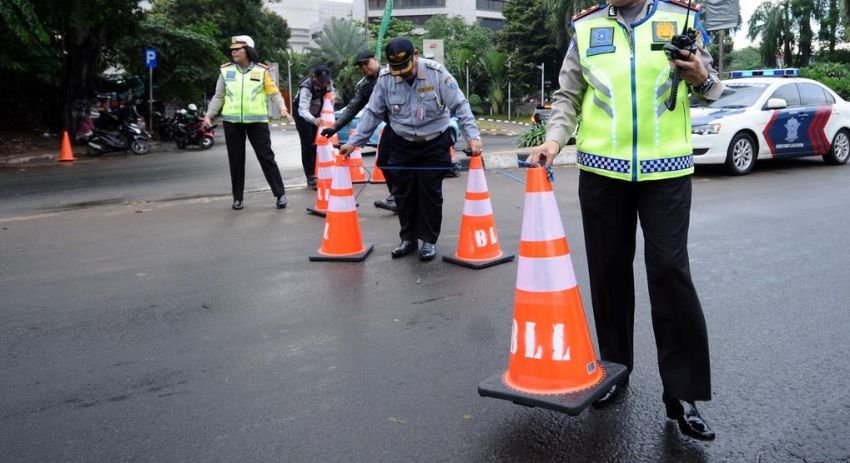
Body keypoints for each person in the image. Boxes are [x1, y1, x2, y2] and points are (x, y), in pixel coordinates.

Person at [527, 0, 723, 441]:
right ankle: (615, 370)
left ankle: (683, 393)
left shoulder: (681, 18)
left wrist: (701, 77)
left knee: (670, 272)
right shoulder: (586, 28)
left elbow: (712, 89)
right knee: (608, 274)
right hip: (601, 173)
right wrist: (554, 141)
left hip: (666, 173)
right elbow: (568, 96)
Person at [339, 38, 482, 261]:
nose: (403, 75)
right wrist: (354, 142)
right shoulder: (386, 79)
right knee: (403, 194)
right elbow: (373, 112)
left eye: (406, 69)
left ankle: (428, 241)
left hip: (434, 141)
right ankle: (408, 239)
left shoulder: (437, 73)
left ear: (415, 55)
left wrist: (472, 137)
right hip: (402, 142)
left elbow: (460, 105)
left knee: (430, 194)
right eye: (398, 70)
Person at [204, 35, 292, 210]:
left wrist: (283, 108)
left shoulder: (261, 71)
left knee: (266, 157)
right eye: (232, 50)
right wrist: (209, 115)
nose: (233, 52)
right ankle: (238, 198)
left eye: (238, 49)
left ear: (248, 51)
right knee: (236, 160)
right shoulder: (225, 71)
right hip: (232, 122)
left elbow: (274, 93)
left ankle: (280, 194)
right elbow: (219, 96)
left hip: (257, 121)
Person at [320, 50, 399, 212]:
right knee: (383, 160)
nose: (363, 68)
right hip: (393, 126)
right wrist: (334, 128)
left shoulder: (392, 75)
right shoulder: (366, 86)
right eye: (360, 66)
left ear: (375, 59)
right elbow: (352, 108)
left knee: (406, 163)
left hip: (410, 124)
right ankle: (398, 198)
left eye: (366, 63)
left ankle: (407, 199)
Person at [293, 65, 334, 189]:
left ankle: (319, 171)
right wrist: (313, 120)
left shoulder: (328, 83)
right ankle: (310, 176)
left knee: (318, 142)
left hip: (317, 113)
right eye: (321, 81)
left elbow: (331, 97)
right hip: (302, 115)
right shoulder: (306, 87)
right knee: (308, 144)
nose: (323, 84)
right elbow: (302, 110)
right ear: (314, 77)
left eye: (325, 81)